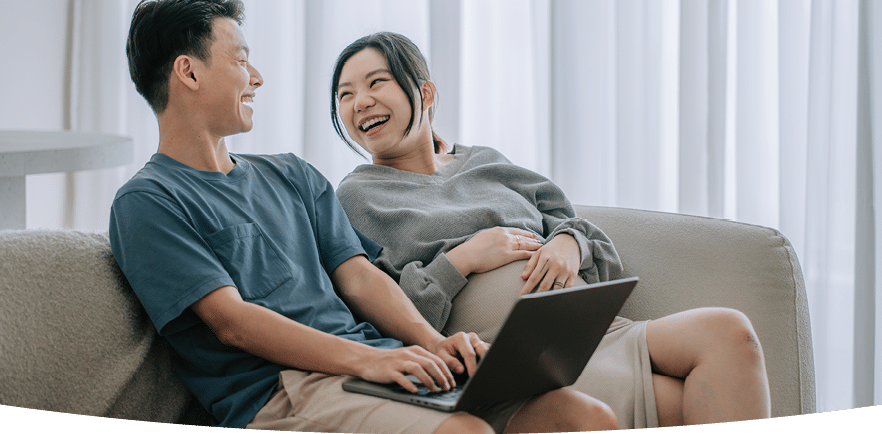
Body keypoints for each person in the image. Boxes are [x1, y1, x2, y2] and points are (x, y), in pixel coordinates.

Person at [111, 1, 618, 433]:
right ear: (189, 72)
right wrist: (372, 359)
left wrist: (436, 344)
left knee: (580, 416)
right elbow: (232, 323)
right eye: (241, 60)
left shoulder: (291, 174)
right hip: (282, 389)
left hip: (371, 362)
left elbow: (359, 278)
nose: (257, 77)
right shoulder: (147, 201)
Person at [331, 31, 773, 429]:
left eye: (375, 83)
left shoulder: (486, 162)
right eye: (345, 95)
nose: (360, 103)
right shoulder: (356, 198)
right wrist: (462, 260)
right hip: (507, 364)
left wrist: (568, 243)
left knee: (729, 332)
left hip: (594, 335)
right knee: (660, 406)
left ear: (424, 92)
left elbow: (584, 233)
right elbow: (379, 319)